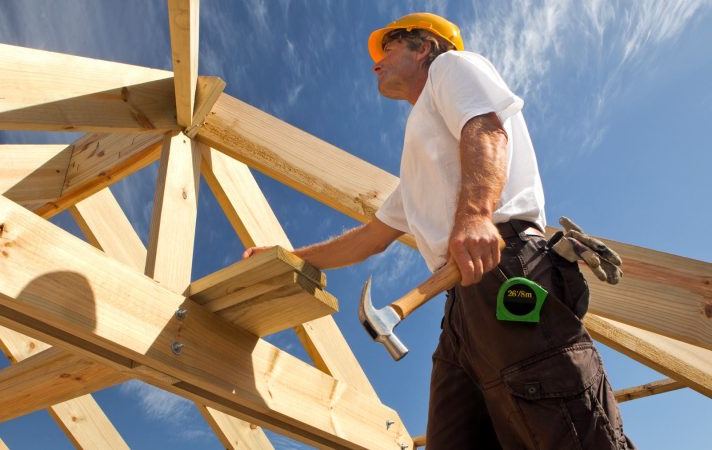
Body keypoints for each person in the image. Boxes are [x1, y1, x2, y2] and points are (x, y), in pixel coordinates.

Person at [244, 12, 634, 450]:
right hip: (461, 306)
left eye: (388, 49)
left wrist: (475, 213)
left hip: (504, 267)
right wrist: (289, 255)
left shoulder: (452, 68)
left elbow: (488, 129)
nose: (375, 63)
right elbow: (369, 238)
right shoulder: (420, 160)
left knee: (563, 425)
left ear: (424, 47)